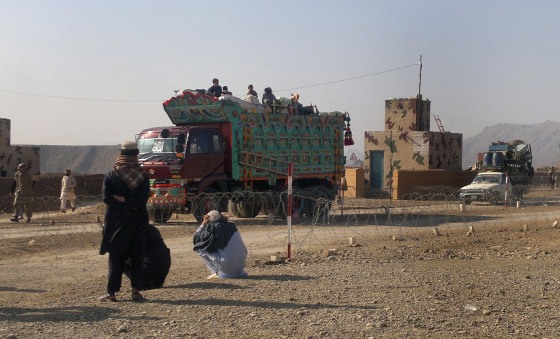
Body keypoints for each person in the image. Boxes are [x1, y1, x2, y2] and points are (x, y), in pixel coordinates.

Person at [99, 141, 150, 302]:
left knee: (116, 257)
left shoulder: (111, 175)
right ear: (136, 154)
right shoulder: (143, 176)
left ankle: (111, 293)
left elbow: (107, 198)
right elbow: (142, 200)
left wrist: (121, 199)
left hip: (117, 222)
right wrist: (130, 201)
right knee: (137, 256)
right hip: (138, 220)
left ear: (121, 154)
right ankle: (135, 291)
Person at [193, 210, 248, 280]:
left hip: (228, 265)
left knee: (199, 247)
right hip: (241, 266)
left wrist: (203, 225)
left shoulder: (214, 229)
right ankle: (234, 271)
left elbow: (196, 239)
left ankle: (217, 272)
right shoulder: (232, 226)